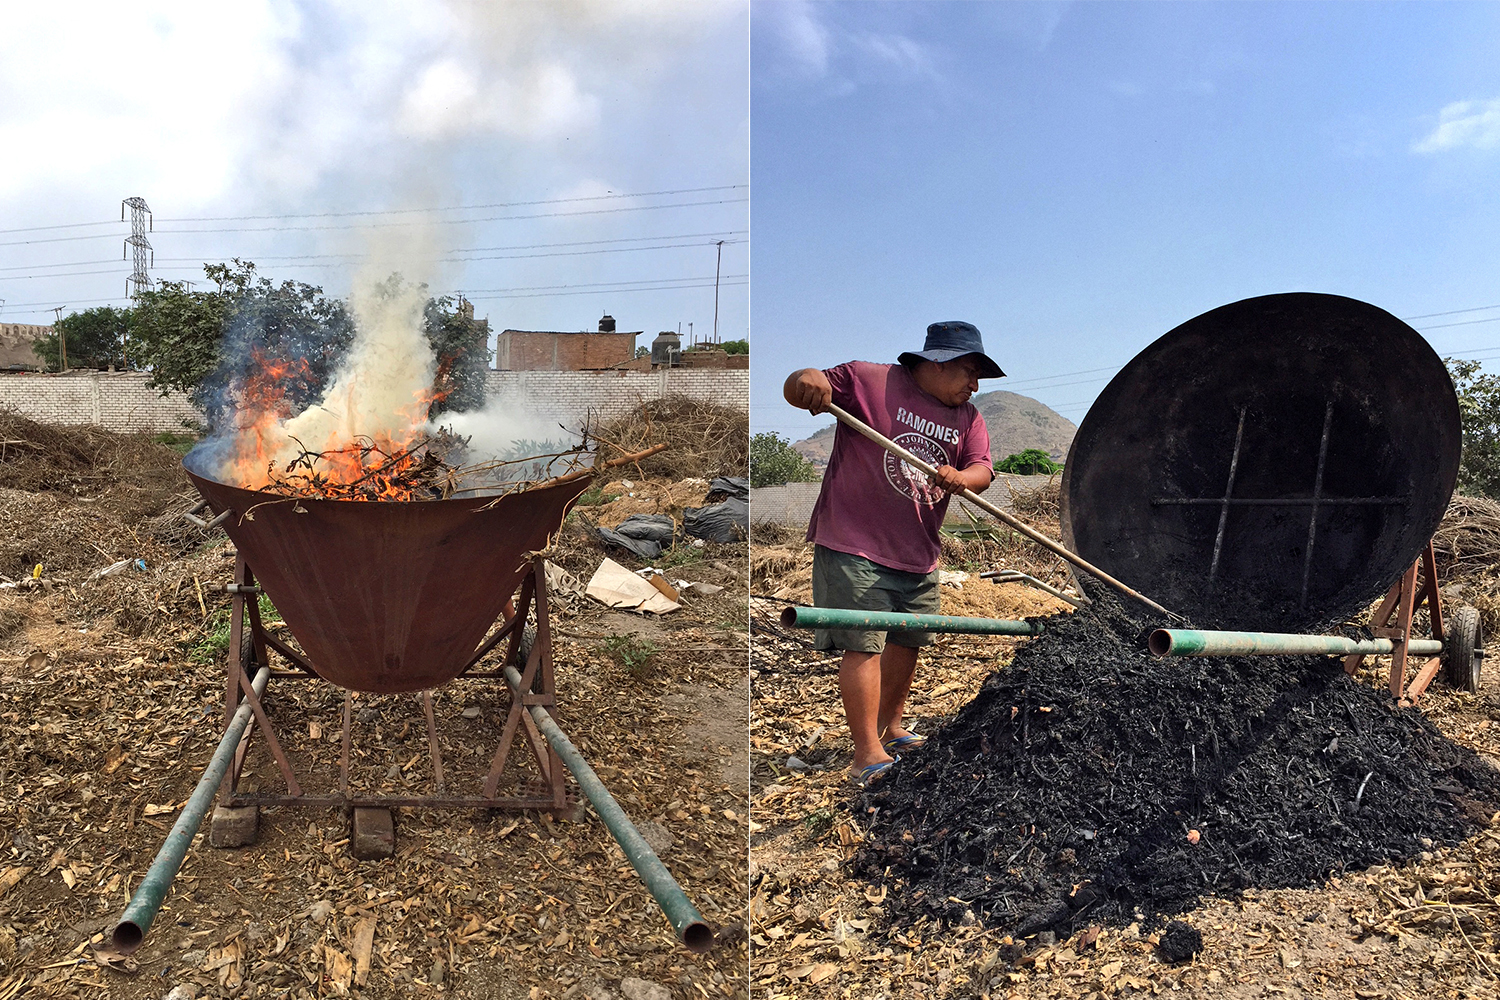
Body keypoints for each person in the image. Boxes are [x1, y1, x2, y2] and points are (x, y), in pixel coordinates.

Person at [783, 321, 1004, 786]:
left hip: (918, 550)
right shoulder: (868, 380)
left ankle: (891, 727)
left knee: (908, 640)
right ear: (938, 362)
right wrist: (806, 380)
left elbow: (982, 469)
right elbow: (803, 384)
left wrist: (962, 478)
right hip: (855, 542)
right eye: (969, 371)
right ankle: (866, 752)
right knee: (863, 642)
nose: (975, 384)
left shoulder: (969, 418)